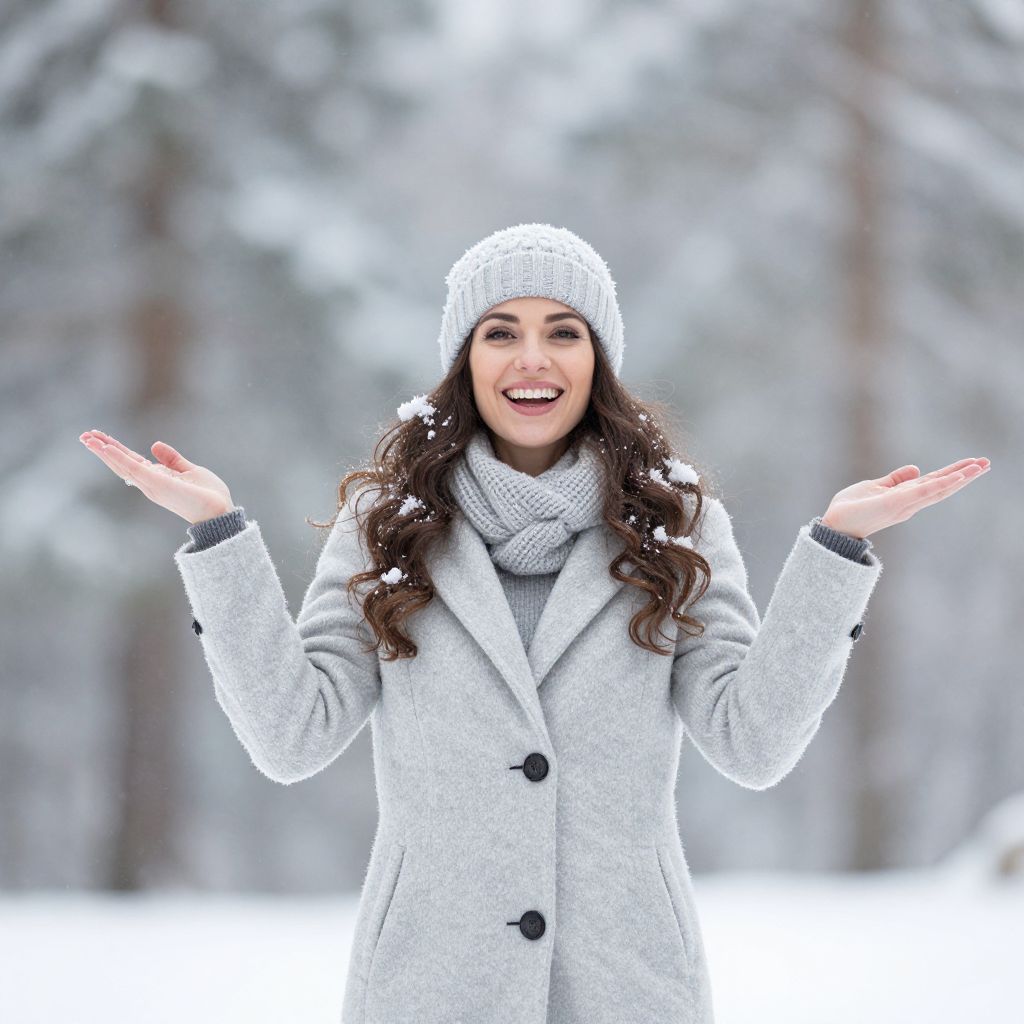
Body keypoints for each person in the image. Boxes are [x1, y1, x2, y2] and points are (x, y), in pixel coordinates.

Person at [79, 223, 991, 1024]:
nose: (532, 360)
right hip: (429, 986)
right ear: (463, 360)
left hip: (628, 986)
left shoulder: (674, 522)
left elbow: (751, 742)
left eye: (564, 332)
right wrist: (220, 537)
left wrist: (836, 550)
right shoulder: (387, 525)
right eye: (500, 333)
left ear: (598, 360)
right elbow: (292, 732)